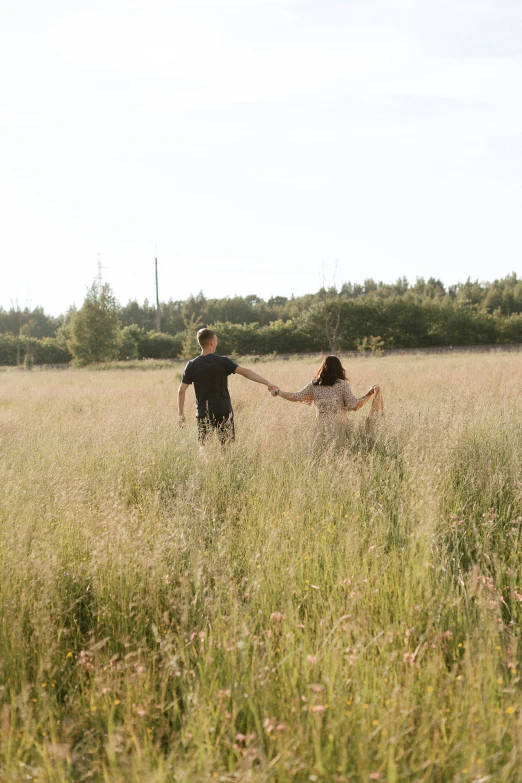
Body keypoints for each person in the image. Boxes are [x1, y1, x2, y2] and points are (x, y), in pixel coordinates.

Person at [178, 328, 276, 445]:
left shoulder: (191, 365)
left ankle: (207, 463)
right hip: (223, 411)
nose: (217, 343)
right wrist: (267, 383)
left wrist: (180, 414)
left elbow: (181, 391)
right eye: (216, 340)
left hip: (203, 413)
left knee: (204, 448)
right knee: (227, 447)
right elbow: (246, 372)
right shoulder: (223, 361)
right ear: (212, 342)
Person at [270, 354, 383, 434]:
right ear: (339, 369)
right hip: (341, 428)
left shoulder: (314, 384)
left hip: (321, 429)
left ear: (322, 368)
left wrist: (277, 392)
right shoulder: (342, 384)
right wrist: (370, 393)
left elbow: (294, 397)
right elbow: (355, 406)